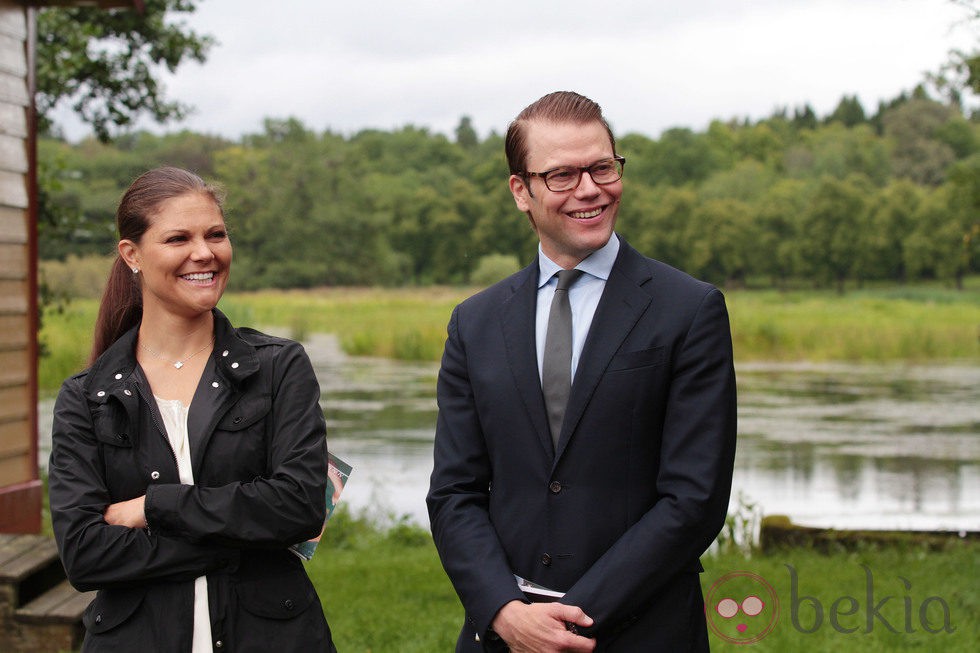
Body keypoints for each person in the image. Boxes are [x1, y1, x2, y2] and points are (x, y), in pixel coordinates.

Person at [426, 91, 737, 652]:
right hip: (502, 637)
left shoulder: (689, 310)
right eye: (563, 175)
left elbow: (694, 501)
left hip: (642, 633)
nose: (590, 189)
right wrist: (504, 611)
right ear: (521, 191)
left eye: (602, 167)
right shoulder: (474, 322)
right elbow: (454, 492)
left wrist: (569, 620)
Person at [48, 167, 337, 652]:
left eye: (216, 235)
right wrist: (243, 537)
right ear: (132, 255)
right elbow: (85, 555)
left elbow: (300, 506)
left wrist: (154, 507)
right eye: (178, 238)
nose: (204, 253)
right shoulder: (86, 396)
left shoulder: (279, 367)